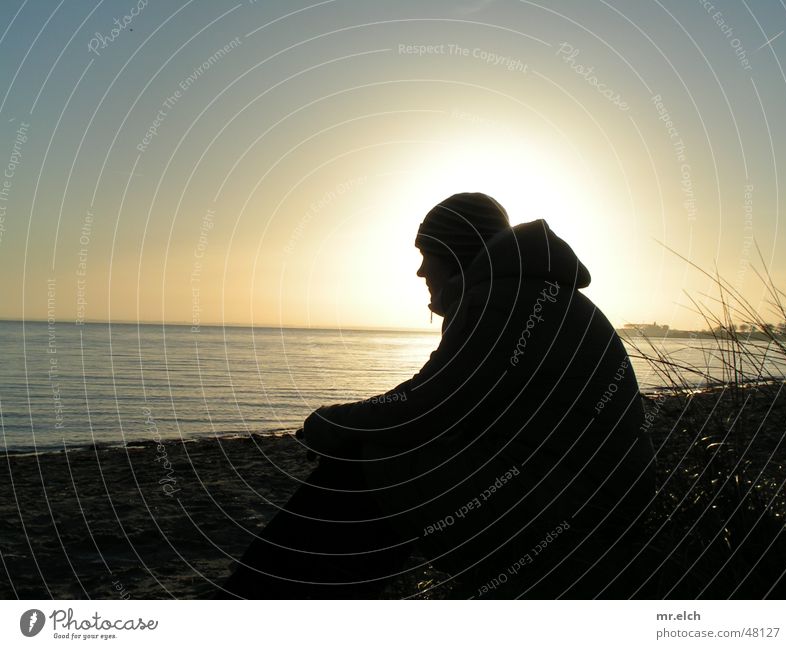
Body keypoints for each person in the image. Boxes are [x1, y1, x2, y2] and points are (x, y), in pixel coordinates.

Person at [222, 192, 656, 599]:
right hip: (587, 499)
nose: (420, 271)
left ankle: (256, 601)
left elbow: (427, 408)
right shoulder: (527, 292)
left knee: (366, 465)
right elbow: (441, 400)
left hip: (578, 514)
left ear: (453, 253)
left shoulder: (503, 299)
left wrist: (329, 422)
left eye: (426, 254)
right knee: (384, 461)